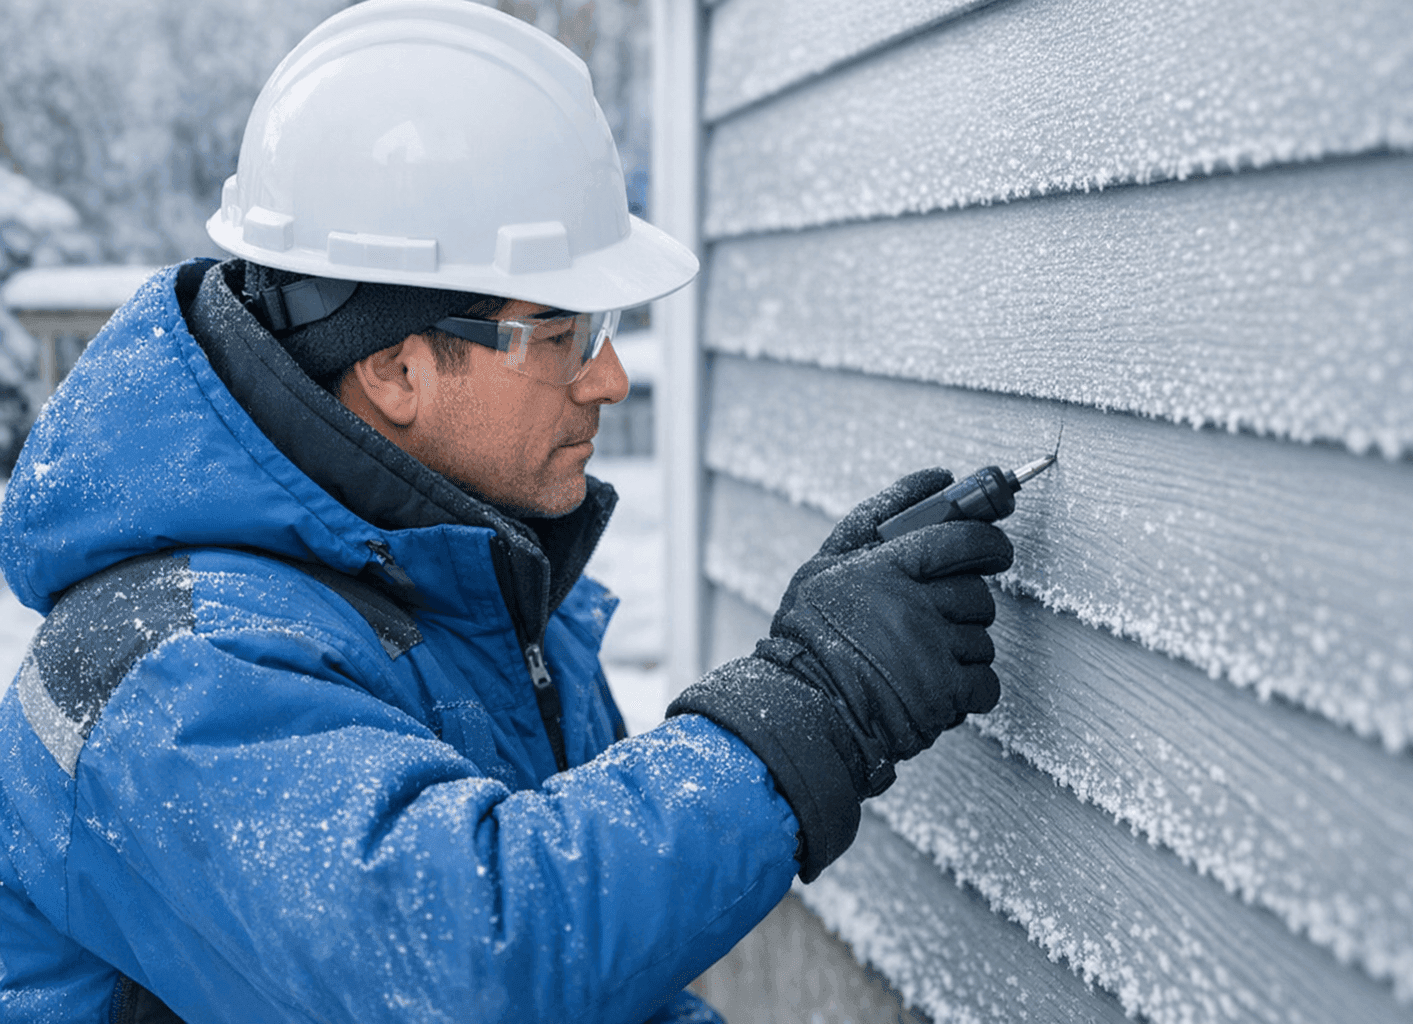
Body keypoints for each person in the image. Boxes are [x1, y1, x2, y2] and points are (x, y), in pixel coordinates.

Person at [0, 2, 1013, 1021]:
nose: (609, 377)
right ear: (397, 366)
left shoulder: (459, 590)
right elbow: (474, 969)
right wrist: (809, 707)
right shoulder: (164, 673)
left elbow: (611, 995)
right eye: (567, 333)